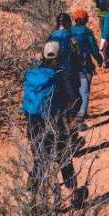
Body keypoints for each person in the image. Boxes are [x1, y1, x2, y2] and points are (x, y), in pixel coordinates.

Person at [21, 41, 87, 207]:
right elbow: (76, 100)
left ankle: (32, 199)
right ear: (60, 56)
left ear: (43, 55)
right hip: (56, 124)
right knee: (64, 159)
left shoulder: (32, 74)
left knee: (39, 161)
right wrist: (70, 116)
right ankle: (74, 196)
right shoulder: (60, 75)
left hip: (33, 123)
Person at [68, 9, 103, 128]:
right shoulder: (87, 32)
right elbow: (94, 49)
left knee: (73, 92)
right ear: (85, 20)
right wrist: (99, 60)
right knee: (84, 92)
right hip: (85, 66)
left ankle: (73, 116)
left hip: (71, 68)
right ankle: (80, 117)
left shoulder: (69, 31)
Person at [48, 14, 82, 119]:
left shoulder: (52, 36)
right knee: (76, 99)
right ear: (67, 23)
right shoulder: (70, 36)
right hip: (69, 72)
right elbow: (78, 52)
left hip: (54, 73)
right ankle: (70, 117)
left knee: (60, 101)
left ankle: (61, 122)